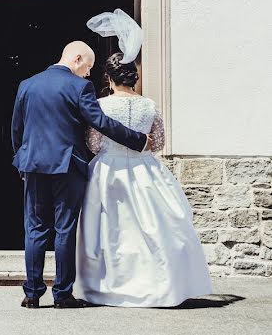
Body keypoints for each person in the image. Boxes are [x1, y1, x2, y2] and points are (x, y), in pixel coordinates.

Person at [11, 39, 150, 309]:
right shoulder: (79, 86)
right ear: (76, 59)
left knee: (35, 228)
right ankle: (62, 294)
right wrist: (137, 140)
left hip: (34, 165)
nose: (88, 74)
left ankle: (32, 293)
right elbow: (100, 122)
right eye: (87, 67)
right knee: (65, 229)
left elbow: (17, 128)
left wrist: (22, 159)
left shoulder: (27, 85)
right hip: (67, 166)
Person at [75, 53, 212, 307]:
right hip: (144, 169)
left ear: (109, 78)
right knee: (152, 228)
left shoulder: (101, 105)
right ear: (133, 77)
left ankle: (107, 285)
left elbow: (93, 144)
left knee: (109, 229)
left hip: (107, 170)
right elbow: (158, 143)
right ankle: (156, 284)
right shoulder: (148, 105)